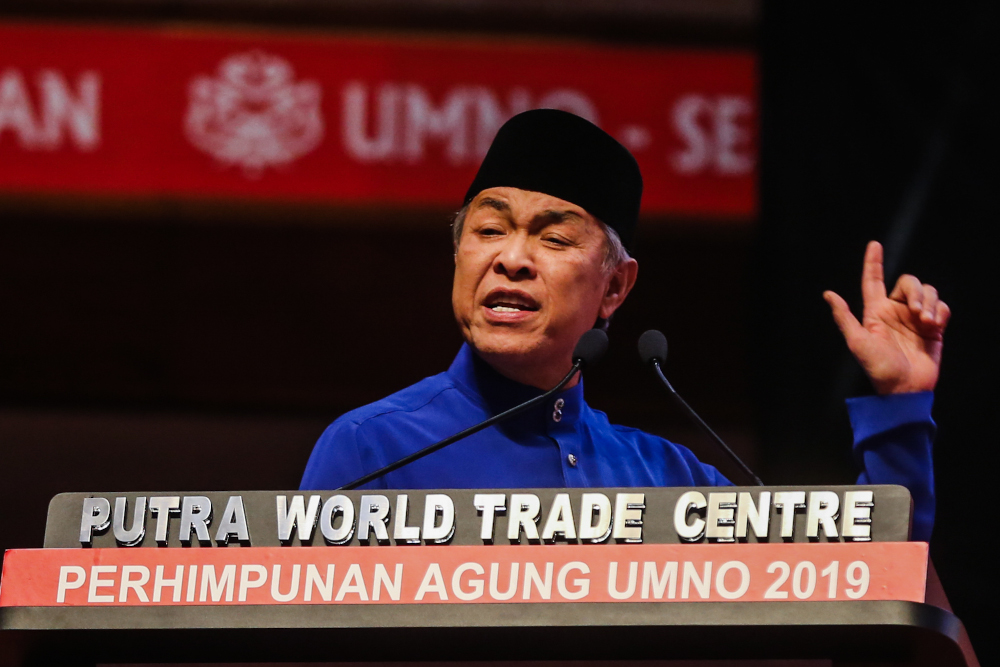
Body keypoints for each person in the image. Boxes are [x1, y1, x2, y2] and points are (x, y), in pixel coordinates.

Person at [301, 109, 949, 541]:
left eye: (552, 238)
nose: (512, 258)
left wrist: (900, 406)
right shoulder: (371, 451)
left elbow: (869, 575)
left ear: (615, 286)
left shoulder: (669, 479)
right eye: (489, 229)